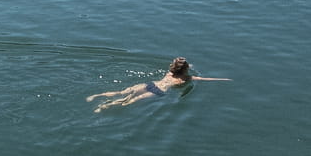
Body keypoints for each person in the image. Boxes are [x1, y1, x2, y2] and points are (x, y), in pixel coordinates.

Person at [87, 58, 231, 111]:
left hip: (151, 84)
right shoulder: (187, 78)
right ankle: (105, 106)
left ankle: (96, 96)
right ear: (186, 69)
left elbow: (178, 64)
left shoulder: (169, 73)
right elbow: (206, 79)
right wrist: (224, 80)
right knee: (130, 101)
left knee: (123, 92)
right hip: (158, 91)